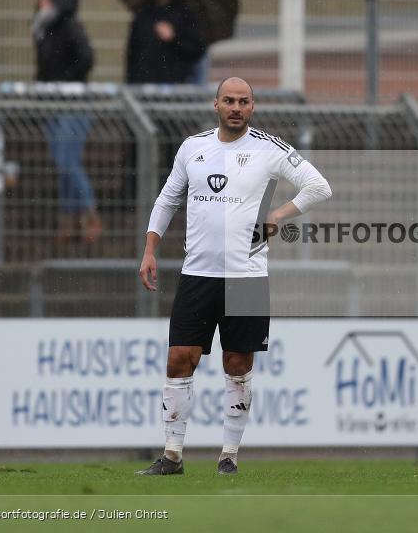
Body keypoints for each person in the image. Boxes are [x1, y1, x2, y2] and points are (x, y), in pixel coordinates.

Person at [137, 77, 332, 476]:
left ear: (253, 107)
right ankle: (172, 455)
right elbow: (168, 198)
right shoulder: (194, 147)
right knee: (179, 358)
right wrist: (150, 249)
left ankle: (229, 454)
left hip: (246, 276)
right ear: (216, 104)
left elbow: (319, 186)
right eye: (229, 100)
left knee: (238, 362)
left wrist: (277, 215)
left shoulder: (269, 148)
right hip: (198, 274)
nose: (236, 107)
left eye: (243, 101)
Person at [33, 0, 102, 243]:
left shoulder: (70, 26)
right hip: (52, 104)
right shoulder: (42, 29)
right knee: (63, 164)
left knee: (67, 161)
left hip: (74, 103)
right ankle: (70, 219)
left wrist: (64, 82)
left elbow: (86, 59)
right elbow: (43, 68)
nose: (41, 5)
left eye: (46, 0)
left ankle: (89, 211)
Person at [126, 0, 205, 84]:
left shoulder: (185, 13)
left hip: (175, 83)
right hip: (145, 83)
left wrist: (173, 38)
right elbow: (133, 51)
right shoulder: (143, 13)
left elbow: (196, 49)